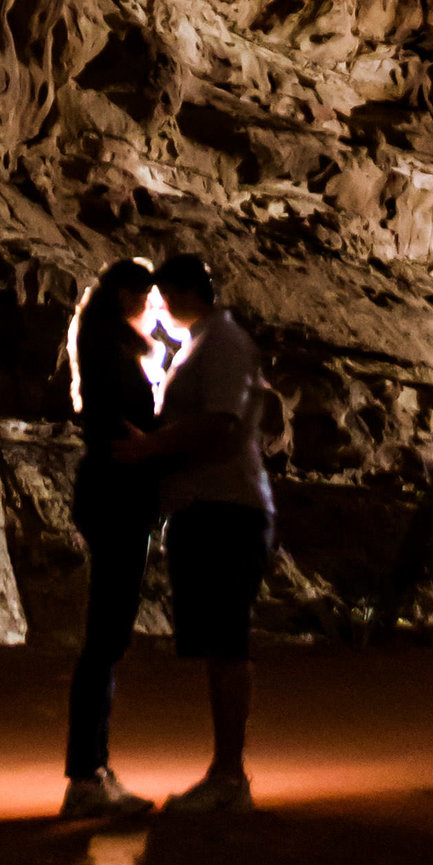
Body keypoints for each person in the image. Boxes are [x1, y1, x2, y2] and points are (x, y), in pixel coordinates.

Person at [114, 250, 272, 814]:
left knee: (227, 640)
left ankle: (230, 776)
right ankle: (225, 772)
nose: (156, 309)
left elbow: (221, 420)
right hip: (210, 505)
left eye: (161, 296)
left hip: (224, 507)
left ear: (179, 292)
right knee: (217, 642)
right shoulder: (206, 343)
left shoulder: (221, 343)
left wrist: (149, 446)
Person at [60, 258, 165, 825]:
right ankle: (86, 772)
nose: (151, 308)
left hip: (112, 495)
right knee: (105, 637)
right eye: (146, 297)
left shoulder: (104, 343)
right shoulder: (109, 351)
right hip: (117, 498)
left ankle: (93, 768)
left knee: (107, 636)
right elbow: (124, 427)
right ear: (127, 294)